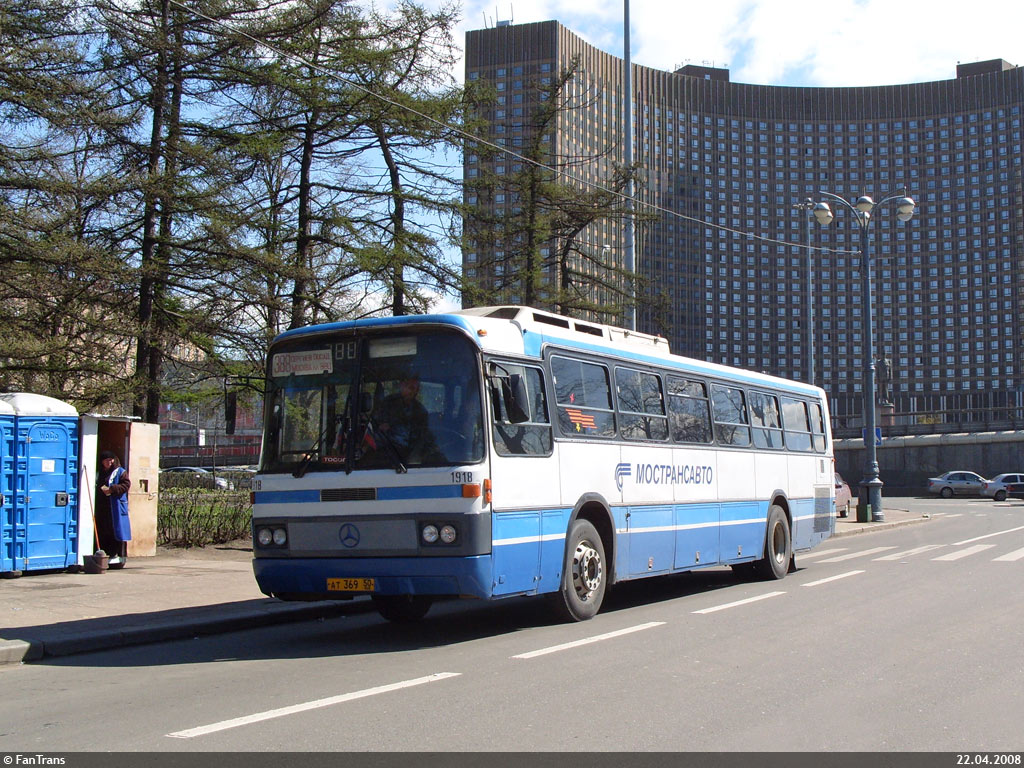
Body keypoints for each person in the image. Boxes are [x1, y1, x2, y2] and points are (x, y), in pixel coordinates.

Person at [371, 375, 439, 462]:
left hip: (411, 456)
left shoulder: (420, 411)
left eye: (415, 389)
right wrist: (383, 427)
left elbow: (423, 436)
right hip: (385, 450)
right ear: (401, 385)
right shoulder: (387, 403)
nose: (412, 391)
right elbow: (375, 424)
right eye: (409, 387)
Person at [96, 450, 132, 568]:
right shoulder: (99, 473)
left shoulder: (120, 472)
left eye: (111, 460)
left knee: (116, 530)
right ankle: (104, 553)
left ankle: (116, 555)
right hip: (103, 507)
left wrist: (112, 489)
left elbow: (126, 485)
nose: (110, 462)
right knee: (103, 530)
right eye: (107, 460)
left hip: (115, 506)